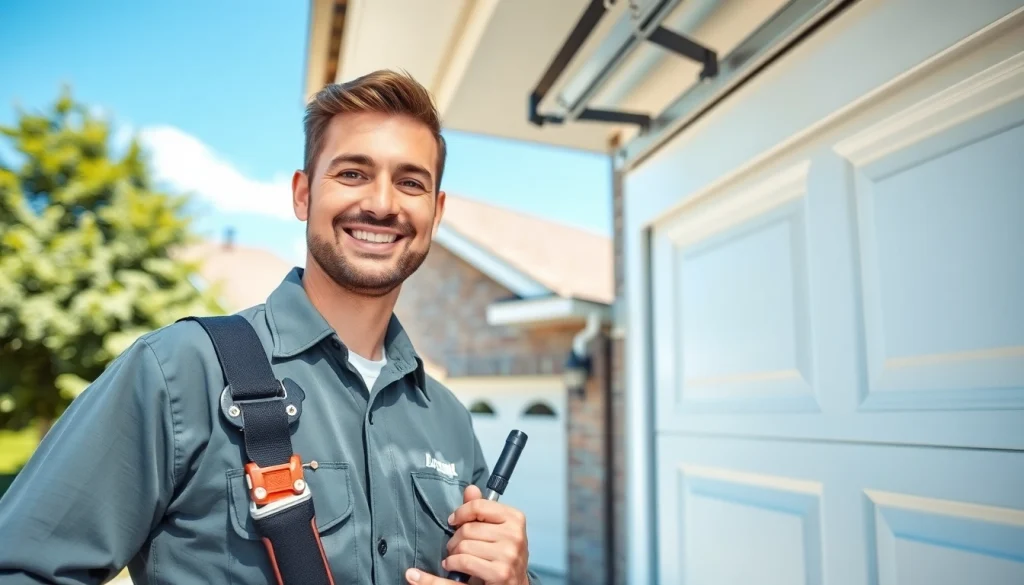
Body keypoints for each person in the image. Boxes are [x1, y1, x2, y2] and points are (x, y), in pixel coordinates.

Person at [0, 70, 539, 585]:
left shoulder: (447, 419)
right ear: (303, 194)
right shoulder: (182, 370)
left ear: (436, 211)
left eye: (410, 182)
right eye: (352, 173)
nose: (381, 203)